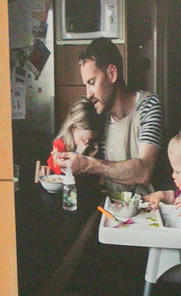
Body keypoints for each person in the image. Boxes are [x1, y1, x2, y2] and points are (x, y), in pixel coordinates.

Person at [61, 36, 164, 191]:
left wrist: (89, 164)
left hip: (147, 206)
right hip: (110, 205)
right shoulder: (99, 116)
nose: (88, 94)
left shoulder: (148, 106)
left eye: (92, 83)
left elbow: (144, 171)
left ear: (112, 74)